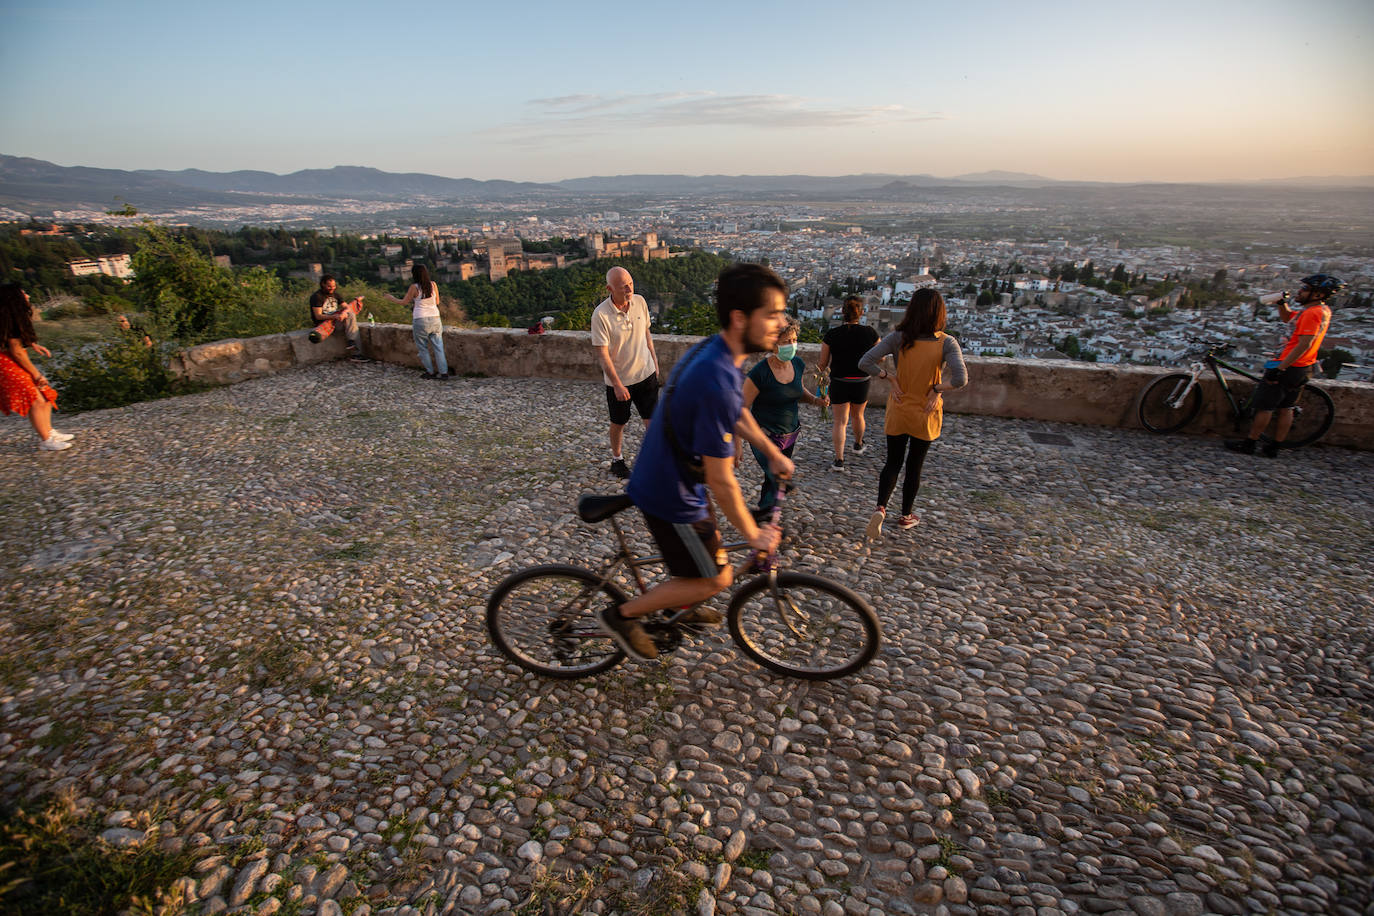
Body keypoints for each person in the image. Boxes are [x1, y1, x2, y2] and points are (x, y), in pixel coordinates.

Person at [598, 263, 793, 661]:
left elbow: (735, 409)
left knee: (707, 561)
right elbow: (723, 482)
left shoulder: (716, 350)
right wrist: (754, 535)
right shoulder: (715, 379)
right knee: (717, 576)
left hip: (672, 475)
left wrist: (769, 450)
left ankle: (674, 606)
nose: (781, 323)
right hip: (671, 493)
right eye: (771, 314)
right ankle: (621, 616)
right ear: (741, 318)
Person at [858, 287, 967, 538]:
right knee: (914, 466)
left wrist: (889, 378)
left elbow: (864, 362)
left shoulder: (899, 338)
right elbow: (961, 379)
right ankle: (906, 516)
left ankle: (880, 508)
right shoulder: (946, 342)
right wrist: (937, 388)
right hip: (925, 411)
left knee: (893, 463)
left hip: (900, 406)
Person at [1225, 274, 1342, 458]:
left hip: (1289, 365)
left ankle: (1250, 443)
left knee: (1266, 407)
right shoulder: (1319, 311)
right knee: (1286, 407)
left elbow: (1305, 344)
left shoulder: (1313, 314)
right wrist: (1281, 303)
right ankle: (1274, 447)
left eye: (1305, 289)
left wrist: (1281, 369)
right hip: (1303, 367)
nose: (1300, 291)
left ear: (1318, 294)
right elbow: (1289, 319)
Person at [741, 316, 828, 515]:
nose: (792, 345)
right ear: (773, 344)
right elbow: (741, 408)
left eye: (794, 340)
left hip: (789, 435)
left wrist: (816, 400)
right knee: (778, 476)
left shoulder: (797, 364)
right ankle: (766, 515)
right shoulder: (759, 373)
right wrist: (737, 443)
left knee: (773, 480)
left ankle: (767, 514)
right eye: (786, 341)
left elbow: (798, 391)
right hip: (763, 435)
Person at [591, 266, 659, 479]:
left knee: (652, 422)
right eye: (623, 287)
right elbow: (602, 354)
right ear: (609, 288)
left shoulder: (640, 302)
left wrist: (655, 361)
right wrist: (617, 384)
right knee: (619, 422)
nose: (629, 289)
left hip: (646, 373)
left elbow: (646, 333)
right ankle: (617, 459)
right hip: (620, 380)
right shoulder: (601, 315)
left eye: (630, 283)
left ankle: (655, 461)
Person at [0, 284, 74, 451]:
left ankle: (49, 431)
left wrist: (32, 344)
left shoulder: (11, 318)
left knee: (45, 394)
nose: (27, 295)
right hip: (5, 363)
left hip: (7, 359)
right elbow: (17, 351)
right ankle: (46, 440)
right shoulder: (11, 318)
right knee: (35, 399)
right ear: (15, 299)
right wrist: (36, 374)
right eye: (23, 293)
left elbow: (13, 339)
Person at [818, 295, 880, 472]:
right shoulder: (870, 333)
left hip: (839, 382)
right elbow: (881, 356)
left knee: (840, 421)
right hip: (861, 381)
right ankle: (858, 444)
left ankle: (839, 460)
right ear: (860, 313)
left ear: (843, 312)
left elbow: (822, 363)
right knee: (858, 416)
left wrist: (820, 379)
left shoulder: (832, 335)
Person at [385, 265, 449, 380]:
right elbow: (437, 301)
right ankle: (444, 373)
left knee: (423, 347)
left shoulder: (414, 287)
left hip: (420, 319)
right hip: (435, 318)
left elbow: (404, 302)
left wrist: (391, 298)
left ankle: (430, 372)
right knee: (438, 346)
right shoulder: (433, 285)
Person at [308, 275, 366, 360]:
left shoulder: (335, 295)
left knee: (349, 314)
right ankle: (355, 351)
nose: (332, 288)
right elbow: (318, 316)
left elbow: (347, 307)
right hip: (325, 325)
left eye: (334, 286)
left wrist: (343, 313)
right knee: (351, 317)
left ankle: (352, 343)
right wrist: (335, 316)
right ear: (323, 284)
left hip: (336, 321)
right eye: (329, 286)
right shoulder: (317, 297)